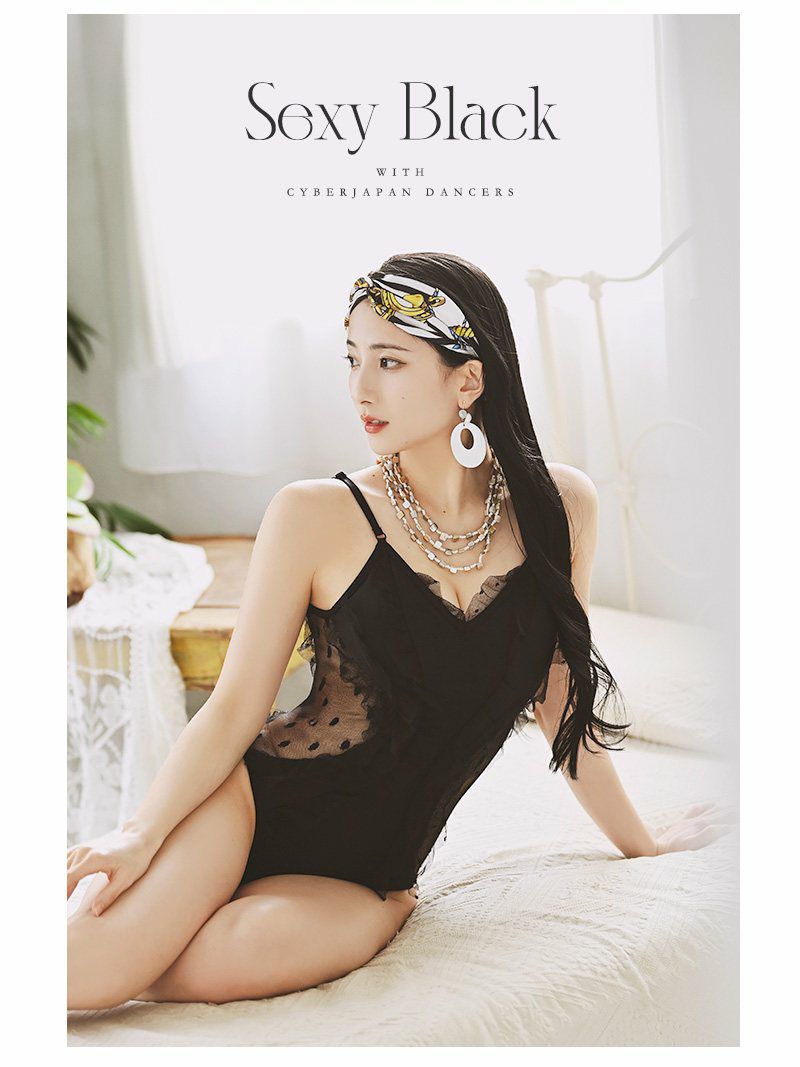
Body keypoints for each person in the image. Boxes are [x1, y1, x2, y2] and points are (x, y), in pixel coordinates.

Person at [67, 252, 732, 1011]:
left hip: (368, 877)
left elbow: (559, 699)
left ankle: (179, 929)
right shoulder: (315, 512)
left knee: (215, 965)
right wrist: (140, 835)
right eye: (352, 359)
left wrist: (643, 843)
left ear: (467, 380)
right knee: (90, 971)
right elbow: (234, 706)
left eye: (389, 361)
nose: (361, 389)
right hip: (252, 802)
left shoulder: (562, 509)